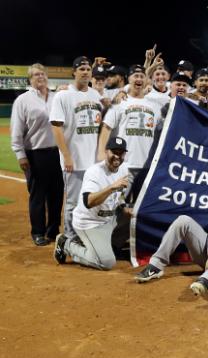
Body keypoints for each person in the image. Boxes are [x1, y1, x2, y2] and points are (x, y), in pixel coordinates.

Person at [53, 136, 130, 270]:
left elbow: (120, 195)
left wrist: (123, 207)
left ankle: (110, 246)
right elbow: (88, 202)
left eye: (121, 153)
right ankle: (66, 244)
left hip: (108, 220)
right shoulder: (94, 172)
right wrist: (112, 187)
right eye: (114, 152)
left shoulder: (124, 169)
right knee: (106, 263)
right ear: (106, 151)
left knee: (134, 215)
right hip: (89, 223)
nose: (117, 156)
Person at [49, 56, 103, 243]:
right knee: (72, 202)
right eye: (81, 69)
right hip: (74, 160)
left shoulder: (96, 95)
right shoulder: (63, 95)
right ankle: (70, 239)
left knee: (90, 201)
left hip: (94, 162)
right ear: (74, 72)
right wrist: (66, 156)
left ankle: (83, 235)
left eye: (88, 69)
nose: (86, 72)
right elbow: (56, 127)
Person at [10, 63, 64, 245]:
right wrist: (20, 154)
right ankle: (38, 232)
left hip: (58, 153)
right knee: (38, 195)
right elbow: (16, 130)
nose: (40, 77)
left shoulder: (57, 97)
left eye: (42, 74)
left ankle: (53, 230)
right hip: (35, 154)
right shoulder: (23, 100)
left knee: (57, 194)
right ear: (30, 79)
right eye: (35, 75)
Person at [98, 65, 162, 200]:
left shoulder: (155, 106)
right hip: (124, 164)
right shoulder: (120, 103)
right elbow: (106, 127)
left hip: (147, 165)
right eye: (135, 76)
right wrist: (102, 153)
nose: (139, 79)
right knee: (119, 205)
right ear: (129, 79)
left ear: (146, 80)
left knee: (140, 208)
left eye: (141, 76)